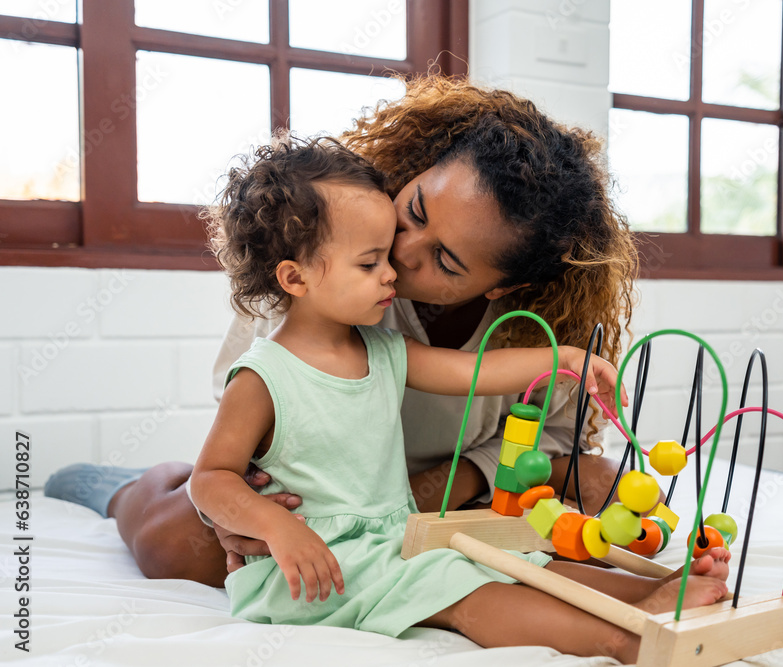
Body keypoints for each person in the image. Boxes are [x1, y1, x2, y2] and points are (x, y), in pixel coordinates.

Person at [45, 75, 648, 588]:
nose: (400, 254)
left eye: (447, 261)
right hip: (320, 492)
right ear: (419, 170)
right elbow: (249, 410)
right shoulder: (319, 256)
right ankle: (128, 488)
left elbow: (556, 439)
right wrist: (253, 505)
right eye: (414, 211)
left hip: (435, 497)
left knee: (579, 502)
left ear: (501, 289)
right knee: (175, 550)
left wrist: (449, 482)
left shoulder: (531, 332)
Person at [189, 133, 728, 662]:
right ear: (295, 276)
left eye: (392, 259)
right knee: (455, 585)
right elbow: (211, 477)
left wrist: (560, 358)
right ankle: (623, 642)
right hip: (313, 564)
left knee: (509, 553)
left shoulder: (382, 348)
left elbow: (475, 371)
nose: (391, 270)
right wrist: (273, 524)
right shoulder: (264, 375)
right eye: (370, 262)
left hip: (393, 536)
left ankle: (649, 596)